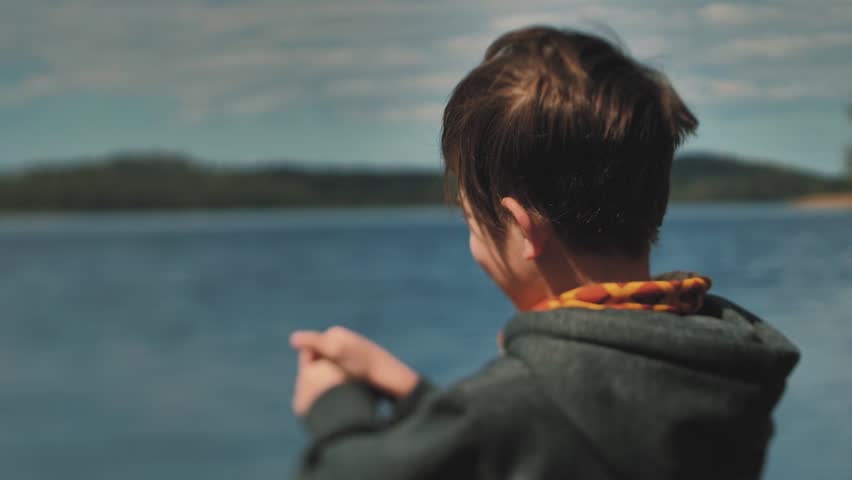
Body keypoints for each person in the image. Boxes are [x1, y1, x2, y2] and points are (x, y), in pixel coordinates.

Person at [288, 26, 800, 480]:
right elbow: (555, 442)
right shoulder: (716, 363)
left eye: (471, 220)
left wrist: (335, 407)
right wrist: (418, 396)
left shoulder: (521, 404)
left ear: (518, 226)